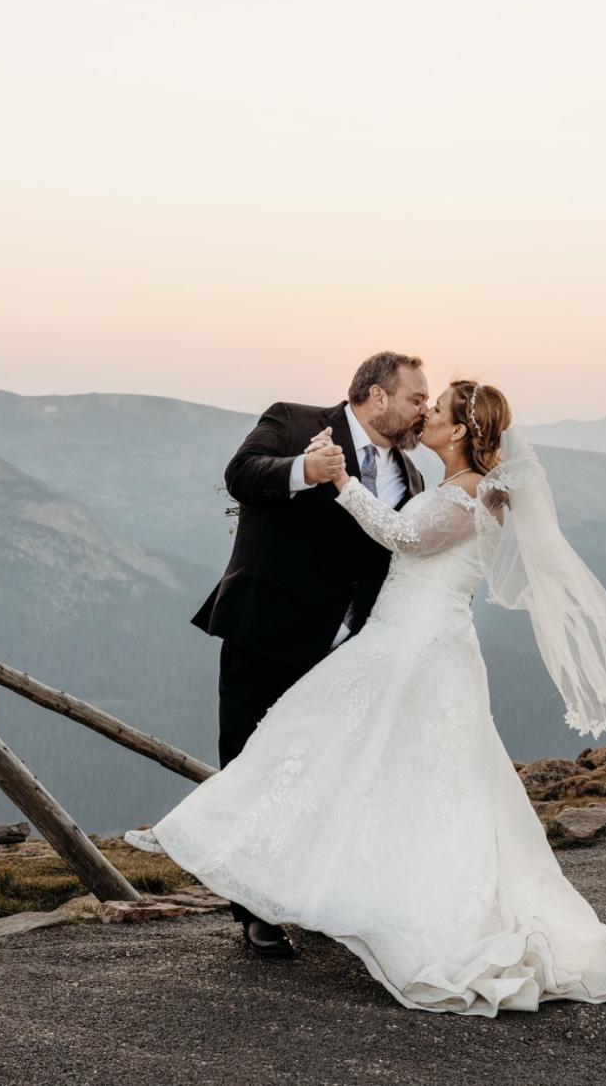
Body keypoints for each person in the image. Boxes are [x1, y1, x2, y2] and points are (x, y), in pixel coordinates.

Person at [133, 379, 606, 1016]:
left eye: (437, 408)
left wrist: (342, 482)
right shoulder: (456, 487)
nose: (425, 412)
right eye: (420, 399)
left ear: (460, 431)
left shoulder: (465, 495)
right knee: (369, 764)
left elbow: (401, 539)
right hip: (406, 639)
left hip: (415, 647)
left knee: (335, 749)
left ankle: (380, 906)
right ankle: (303, 890)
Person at [188, 351, 429, 958]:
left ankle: (311, 896)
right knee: (250, 766)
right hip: (264, 634)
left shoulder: (414, 478)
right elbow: (242, 473)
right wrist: (304, 469)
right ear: (377, 396)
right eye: (415, 397)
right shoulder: (293, 421)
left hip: (348, 654)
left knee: (325, 777)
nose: (423, 408)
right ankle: (256, 912)